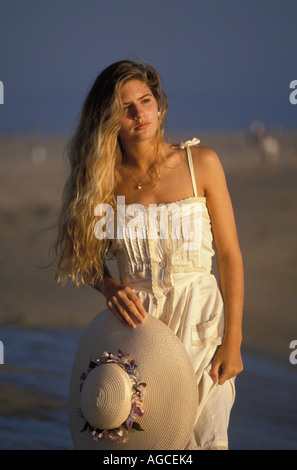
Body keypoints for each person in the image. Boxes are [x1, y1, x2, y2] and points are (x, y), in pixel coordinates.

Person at [55, 60, 244, 450]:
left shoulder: (201, 163)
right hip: (140, 330)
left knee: (210, 441)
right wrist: (108, 285)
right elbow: (80, 252)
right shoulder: (103, 182)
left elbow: (229, 255)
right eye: (126, 107)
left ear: (159, 105)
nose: (140, 113)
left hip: (203, 324)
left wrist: (234, 340)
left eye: (145, 100)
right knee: (152, 447)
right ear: (110, 119)